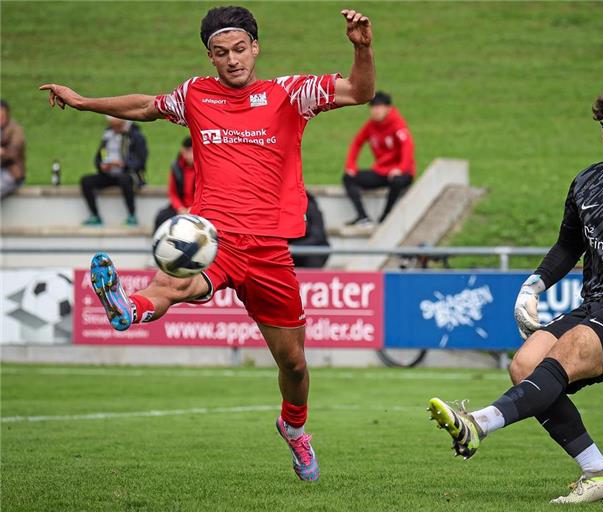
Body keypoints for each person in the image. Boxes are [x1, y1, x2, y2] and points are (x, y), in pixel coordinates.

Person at [40, 5, 374, 482]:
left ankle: (294, 428)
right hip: (211, 236)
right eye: (221, 53)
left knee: (295, 364)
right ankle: (127, 308)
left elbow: (360, 92)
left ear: (255, 48)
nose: (233, 59)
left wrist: (361, 48)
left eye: (240, 49)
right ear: (210, 57)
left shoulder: (290, 93)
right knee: (177, 286)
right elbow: (145, 107)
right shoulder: (195, 94)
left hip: (269, 248)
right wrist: (84, 101)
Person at [427, 82, 603, 504]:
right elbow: (568, 246)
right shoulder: (587, 183)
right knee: (524, 364)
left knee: (568, 349)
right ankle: (598, 472)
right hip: (594, 304)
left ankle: (478, 424)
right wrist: (533, 285)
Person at [343, 90, 415, 225]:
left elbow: (408, 146)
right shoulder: (371, 126)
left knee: (397, 181)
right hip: (382, 171)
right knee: (348, 178)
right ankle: (363, 217)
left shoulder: (397, 123)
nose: (375, 111)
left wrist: (401, 168)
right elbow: (357, 142)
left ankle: (386, 217)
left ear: (388, 108)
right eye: (373, 107)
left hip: (401, 173)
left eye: (379, 107)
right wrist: (350, 165)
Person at [80, 116, 148, 226]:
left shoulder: (136, 136)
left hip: (128, 174)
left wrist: (124, 164)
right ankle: (95, 216)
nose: (114, 128)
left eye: (117, 125)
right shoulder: (107, 135)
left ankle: (132, 215)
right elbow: (98, 157)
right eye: (112, 125)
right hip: (109, 173)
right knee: (86, 181)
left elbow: (141, 160)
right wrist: (101, 165)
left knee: (124, 180)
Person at [154, 137, 195, 231]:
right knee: (161, 217)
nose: (189, 155)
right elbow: (172, 193)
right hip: (180, 208)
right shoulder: (176, 167)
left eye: (191, 151)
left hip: (197, 208)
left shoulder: (203, 169)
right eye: (187, 151)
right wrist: (180, 208)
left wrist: (192, 209)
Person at [289, 192, 330, 268]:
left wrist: (293, 246)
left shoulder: (311, 208)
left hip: (313, 249)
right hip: (290, 249)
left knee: (313, 257)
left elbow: (317, 237)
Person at [0, 99, 26, 200]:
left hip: (12, 172)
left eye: (2, 116)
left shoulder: (16, 130)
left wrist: (2, 152)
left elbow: (14, 152)